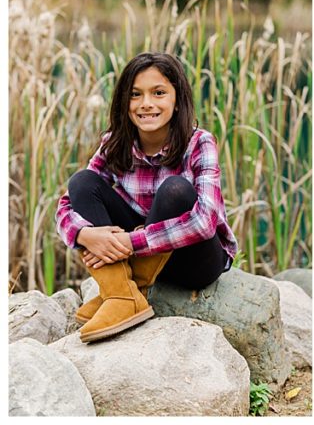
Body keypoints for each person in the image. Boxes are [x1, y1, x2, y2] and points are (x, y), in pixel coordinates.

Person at [55, 52, 237, 343]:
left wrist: (130, 242)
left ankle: (128, 290)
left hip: (193, 261)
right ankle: (122, 294)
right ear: (124, 102)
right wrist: (86, 235)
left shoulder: (199, 142)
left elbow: (204, 221)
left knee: (175, 190)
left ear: (177, 100)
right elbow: (67, 204)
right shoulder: (116, 142)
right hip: (140, 254)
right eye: (135, 94)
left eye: (159, 93)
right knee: (82, 182)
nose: (146, 104)